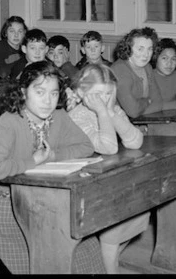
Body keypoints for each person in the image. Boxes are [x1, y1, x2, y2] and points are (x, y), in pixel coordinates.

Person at [0, 61, 105, 274]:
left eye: (54, 94)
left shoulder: (59, 116)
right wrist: (34, 161)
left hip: (49, 199)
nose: (48, 101)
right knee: (39, 263)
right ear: (23, 92)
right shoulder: (10, 121)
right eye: (39, 92)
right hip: (8, 203)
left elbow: (85, 146)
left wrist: (54, 156)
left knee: (82, 239)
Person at [67, 64, 149, 274]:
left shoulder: (111, 109)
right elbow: (108, 146)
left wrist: (111, 112)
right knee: (114, 223)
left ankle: (103, 264)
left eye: (108, 93)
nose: (103, 99)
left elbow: (135, 141)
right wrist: (104, 112)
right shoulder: (77, 115)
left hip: (111, 177)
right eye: (97, 94)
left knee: (140, 210)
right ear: (80, 92)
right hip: (84, 184)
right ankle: (109, 269)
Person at [111, 27, 164, 118]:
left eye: (149, 49)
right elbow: (133, 111)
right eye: (140, 49)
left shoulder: (147, 67)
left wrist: (139, 107)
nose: (146, 54)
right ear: (128, 48)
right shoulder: (120, 69)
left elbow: (159, 103)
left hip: (139, 122)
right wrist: (147, 101)